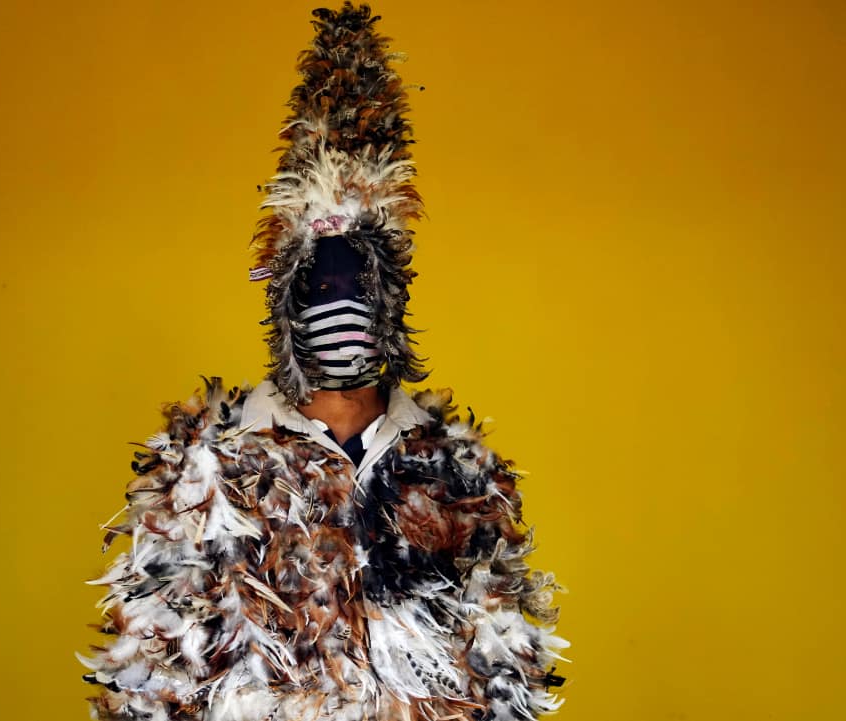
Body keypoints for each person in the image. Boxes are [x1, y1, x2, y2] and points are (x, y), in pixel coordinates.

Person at [78, 4, 569, 720]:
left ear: (393, 298)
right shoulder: (207, 468)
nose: (340, 304)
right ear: (285, 301)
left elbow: (506, 669)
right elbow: (152, 680)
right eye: (320, 284)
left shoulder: (463, 478)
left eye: (358, 282)